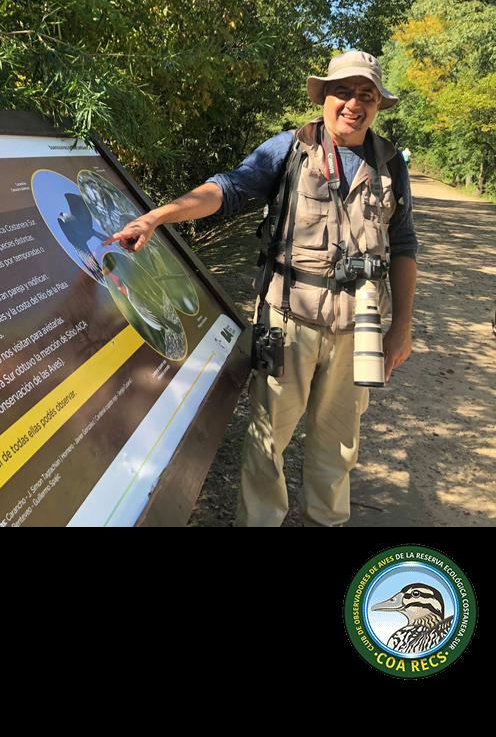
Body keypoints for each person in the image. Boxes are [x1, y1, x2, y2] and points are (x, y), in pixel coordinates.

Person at [104, 51, 418, 527]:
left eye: (366, 95)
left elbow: (404, 244)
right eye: (344, 91)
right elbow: (225, 190)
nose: (354, 104)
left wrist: (402, 326)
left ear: (377, 105)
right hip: (287, 320)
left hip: (360, 326)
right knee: (268, 441)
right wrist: (157, 217)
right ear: (324, 96)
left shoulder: (390, 163)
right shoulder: (289, 149)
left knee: (339, 445)